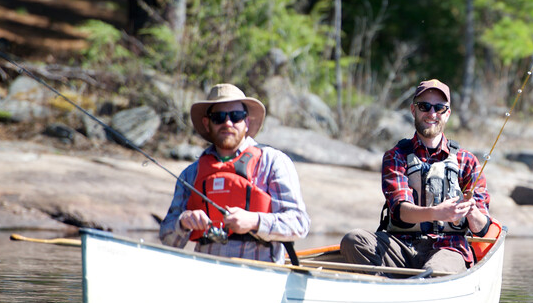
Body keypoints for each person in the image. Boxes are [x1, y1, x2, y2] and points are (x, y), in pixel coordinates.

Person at [340, 79, 492, 275]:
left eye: (439, 108)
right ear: (413, 110)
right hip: (401, 246)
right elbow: (400, 211)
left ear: (448, 114)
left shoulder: (468, 161)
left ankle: (407, 285)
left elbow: (482, 229)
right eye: (424, 106)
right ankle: (383, 289)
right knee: (353, 240)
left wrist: (472, 212)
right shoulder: (396, 156)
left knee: (434, 272)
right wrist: (437, 212)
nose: (432, 113)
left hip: (449, 247)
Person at [160, 83, 310, 263]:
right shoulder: (190, 174)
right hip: (207, 275)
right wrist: (183, 222)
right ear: (207, 123)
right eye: (219, 117)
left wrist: (255, 221)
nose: (227, 123)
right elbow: (167, 239)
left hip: (262, 276)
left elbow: (299, 224)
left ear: (247, 122)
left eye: (236, 116)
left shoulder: (273, 162)